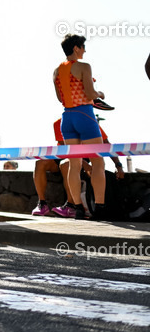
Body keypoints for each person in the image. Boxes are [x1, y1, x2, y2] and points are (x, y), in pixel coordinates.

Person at [53, 34, 107, 220]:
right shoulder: (84, 67)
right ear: (76, 48)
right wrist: (100, 93)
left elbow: (60, 98)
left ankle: (77, 208)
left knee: (74, 165)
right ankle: (99, 208)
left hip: (67, 117)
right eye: (83, 46)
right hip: (84, 114)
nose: (84, 50)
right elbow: (90, 93)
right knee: (98, 161)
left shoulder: (56, 71)